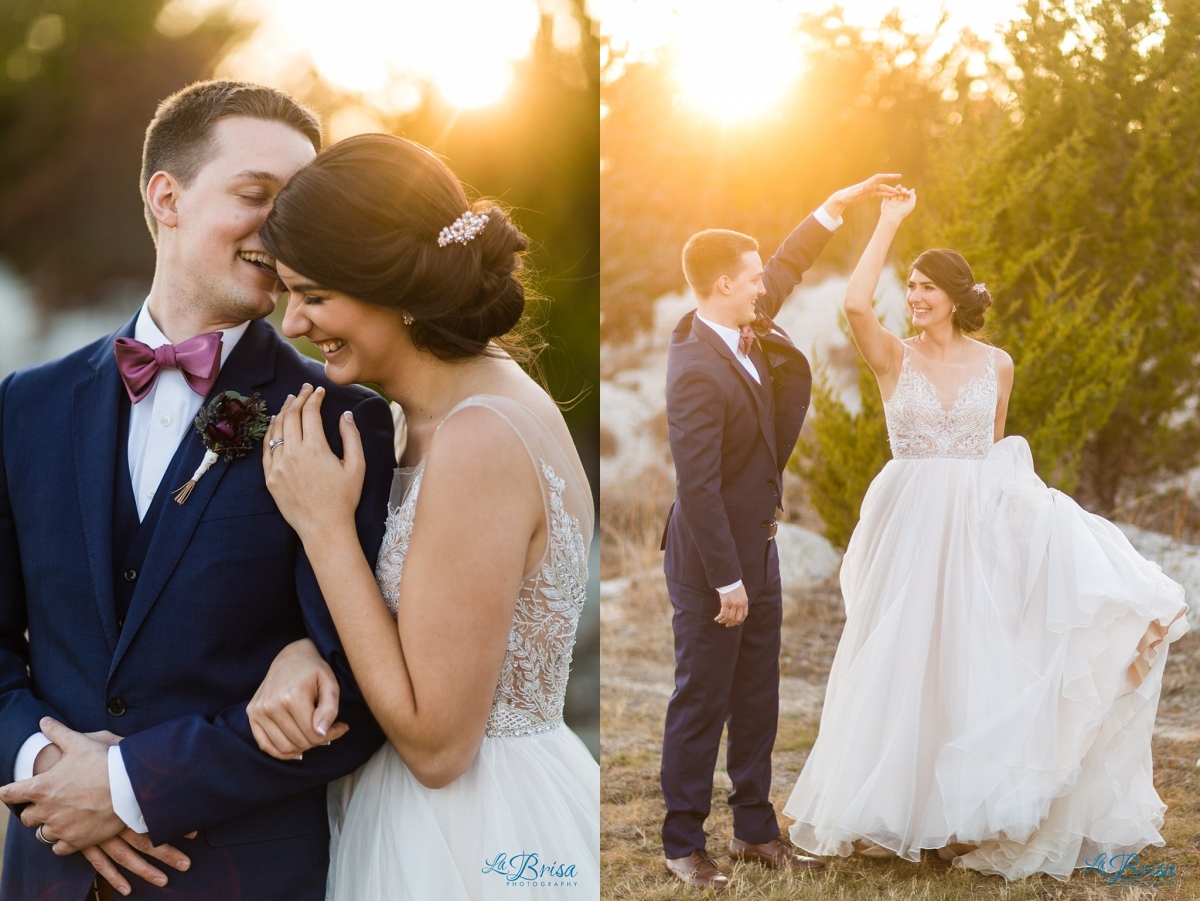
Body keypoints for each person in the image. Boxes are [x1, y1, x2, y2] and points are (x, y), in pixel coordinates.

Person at [0, 80, 396, 900]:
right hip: (49, 869)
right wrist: (48, 769)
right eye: (257, 196)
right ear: (166, 197)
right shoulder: (24, 404)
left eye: (299, 208)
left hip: (238, 875)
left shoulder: (341, 418)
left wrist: (128, 786)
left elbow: (359, 693)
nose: (281, 230)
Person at [783, 188, 1190, 880]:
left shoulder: (997, 362)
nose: (913, 296)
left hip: (977, 523)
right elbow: (854, 304)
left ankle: (965, 816)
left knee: (974, 661)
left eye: (923, 286)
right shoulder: (891, 356)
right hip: (910, 519)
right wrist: (887, 223)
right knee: (906, 656)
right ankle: (902, 811)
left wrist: (1032, 531)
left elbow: (996, 453)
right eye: (907, 286)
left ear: (952, 294)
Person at [241, 132, 598, 899]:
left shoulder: (477, 438)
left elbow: (439, 745)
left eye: (313, 294)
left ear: (393, 285)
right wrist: (300, 649)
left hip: (470, 836)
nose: (294, 323)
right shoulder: (441, 413)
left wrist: (324, 525)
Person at [658, 174, 903, 890]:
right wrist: (728, 578)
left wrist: (840, 203)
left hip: (758, 547)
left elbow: (789, 263)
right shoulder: (693, 368)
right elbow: (697, 485)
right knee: (702, 697)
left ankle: (755, 830)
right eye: (753, 278)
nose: (766, 285)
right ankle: (682, 844)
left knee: (758, 695)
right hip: (713, 562)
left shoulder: (744, 324)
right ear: (724, 285)